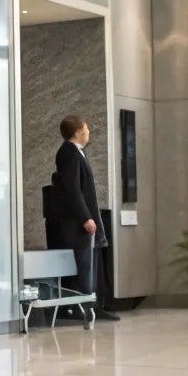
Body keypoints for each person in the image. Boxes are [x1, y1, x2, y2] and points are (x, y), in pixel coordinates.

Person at [50, 114, 116, 321]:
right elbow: (73, 189)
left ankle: (88, 305)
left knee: (88, 262)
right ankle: (81, 307)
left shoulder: (77, 151)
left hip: (81, 219)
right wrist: (85, 218)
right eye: (86, 129)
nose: (88, 132)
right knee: (82, 263)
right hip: (75, 222)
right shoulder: (69, 152)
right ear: (78, 131)